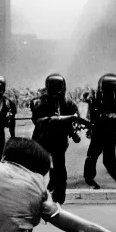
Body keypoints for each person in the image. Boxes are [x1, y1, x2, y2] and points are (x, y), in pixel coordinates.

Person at [30, 74, 80, 204]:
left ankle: (58, 197)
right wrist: (67, 120)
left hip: (58, 140)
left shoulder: (69, 104)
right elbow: (39, 121)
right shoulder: (38, 103)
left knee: (59, 168)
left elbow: (73, 122)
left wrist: (73, 131)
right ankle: (44, 195)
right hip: (43, 139)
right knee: (43, 168)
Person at [83, 73, 116, 189]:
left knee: (98, 159)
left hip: (106, 134)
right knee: (98, 159)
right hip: (104, 134)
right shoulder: (97, 100)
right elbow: (94, 118)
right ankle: (115, 179)